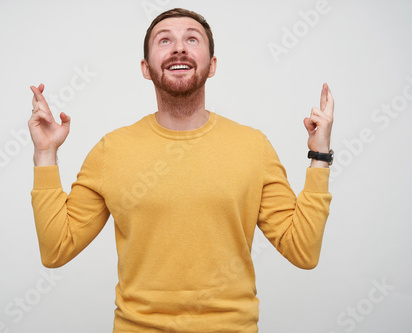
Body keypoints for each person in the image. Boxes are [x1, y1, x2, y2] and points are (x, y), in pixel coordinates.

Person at [28, 8, 334, 333]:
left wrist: (320, 154)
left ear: (212, 65)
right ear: (146, 68)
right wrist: (45, 154)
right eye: (165, 40)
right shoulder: (111, 151)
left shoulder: (252, 146)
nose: (179, 47)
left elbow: (302, 250)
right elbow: (56, 249)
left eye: (192, 38)